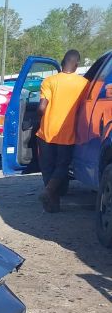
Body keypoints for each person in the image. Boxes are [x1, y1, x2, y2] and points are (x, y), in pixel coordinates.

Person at [36, 49, 89, 213]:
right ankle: (49, 192)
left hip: (46, 132)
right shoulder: (84, 84)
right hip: (67, 133)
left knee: (47, 167)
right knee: (62, 166)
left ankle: (52, 203)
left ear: (62, 62)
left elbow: (41, 107)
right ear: (77, 64)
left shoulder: (49, 81)